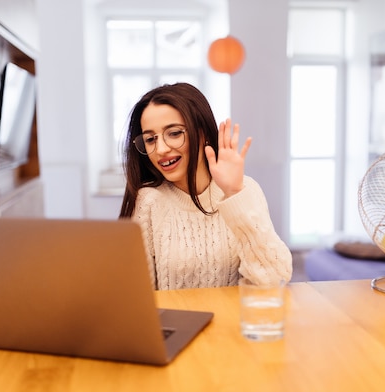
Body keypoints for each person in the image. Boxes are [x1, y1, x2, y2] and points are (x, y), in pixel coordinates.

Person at [119, 83, 292, 290]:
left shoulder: (245, 190)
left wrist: (234, 194)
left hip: (233, 321)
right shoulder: (148, 200)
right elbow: (135, 295)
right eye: (150, 139)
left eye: (174, 133)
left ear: (203, 134)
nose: (161, 149)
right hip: (174, 322)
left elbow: (275, 280)